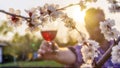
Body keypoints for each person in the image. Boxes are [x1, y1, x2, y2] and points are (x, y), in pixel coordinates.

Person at [37, 8, 117, 68]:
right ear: (86, 27)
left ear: (106, 22)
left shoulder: (117, 42)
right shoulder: (85, 48)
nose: (96, 28)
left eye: (100, 24)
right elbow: (73, 54)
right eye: (92, 25)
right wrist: (57, 53)